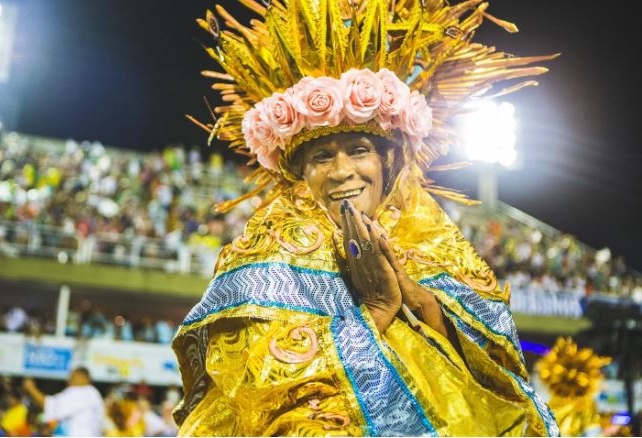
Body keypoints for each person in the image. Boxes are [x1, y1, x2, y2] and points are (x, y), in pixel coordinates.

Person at [172, 0, 560, 436]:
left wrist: (417, 299)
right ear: (300, 173)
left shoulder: (432, 241)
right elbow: (263, 404)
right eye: (322, 156)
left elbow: (503, 375)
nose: (341, 172)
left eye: (359, 150)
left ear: (389, 163)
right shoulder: (264, 264)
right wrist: (375, 310)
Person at [23, 367, 104, 436]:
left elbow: (49, 406)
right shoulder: (93, 394)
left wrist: (30, 387)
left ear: (83, 377)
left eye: (72, 377)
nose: (68, 381)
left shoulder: (81, 392)